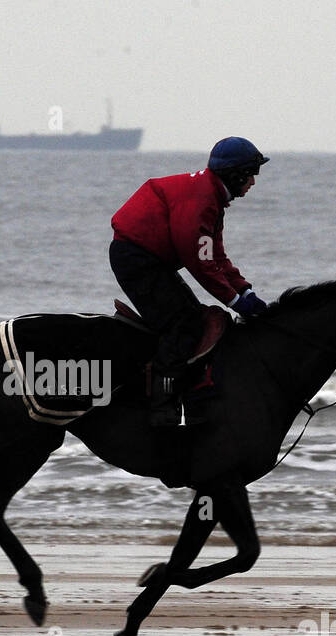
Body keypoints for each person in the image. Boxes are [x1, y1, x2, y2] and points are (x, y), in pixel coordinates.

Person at [109, 137, 269, 427]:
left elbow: (215, 255)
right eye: (252, 173)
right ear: (235, 174)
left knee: (195, 320)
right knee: (184, 326)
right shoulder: (202, 199)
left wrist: (245, 290)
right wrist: (235, 302)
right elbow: (198, 261)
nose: (254, 182)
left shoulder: (212, 197)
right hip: (136, 257)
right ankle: (162, 409)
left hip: (149, 259)